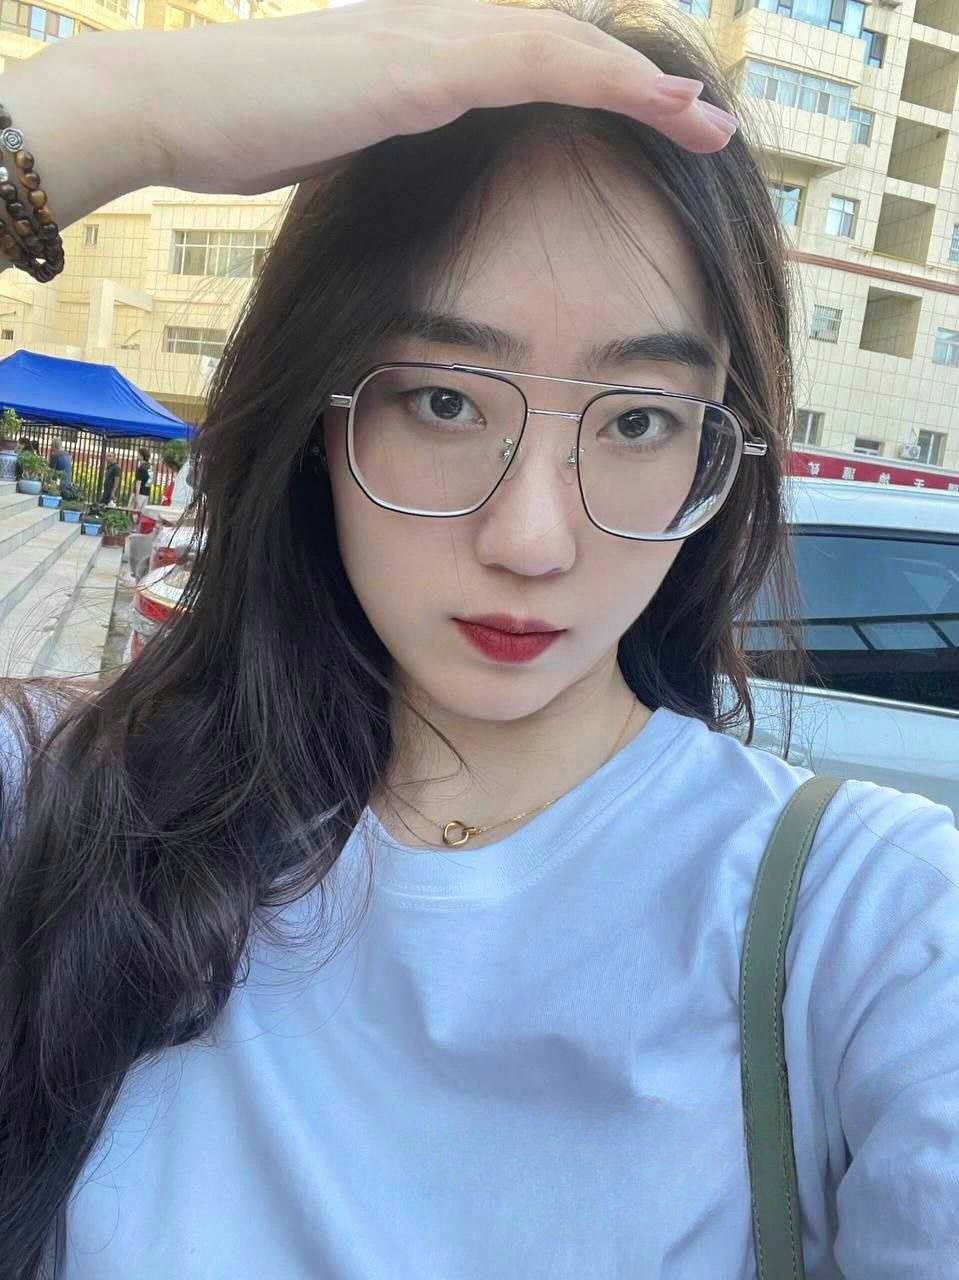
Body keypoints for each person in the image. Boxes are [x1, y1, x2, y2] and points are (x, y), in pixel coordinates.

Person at [0, 4, 956, 1278]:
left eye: (636, 420)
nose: (530, 538)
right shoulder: (60, 811)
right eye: (443, 400)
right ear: (319, 417)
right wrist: (120, 111)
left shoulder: (869, 929)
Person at [131, 446, 152, 519]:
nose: (137, 455)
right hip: (146, 493)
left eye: (138, 454)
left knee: (133, 512)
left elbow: (138, 483)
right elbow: (150, 481)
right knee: (141, 514)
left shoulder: (141, 468)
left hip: (139, 493)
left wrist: (136, 497)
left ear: (142, 456)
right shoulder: (150, 467)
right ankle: (138, 526)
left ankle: (133, 526)